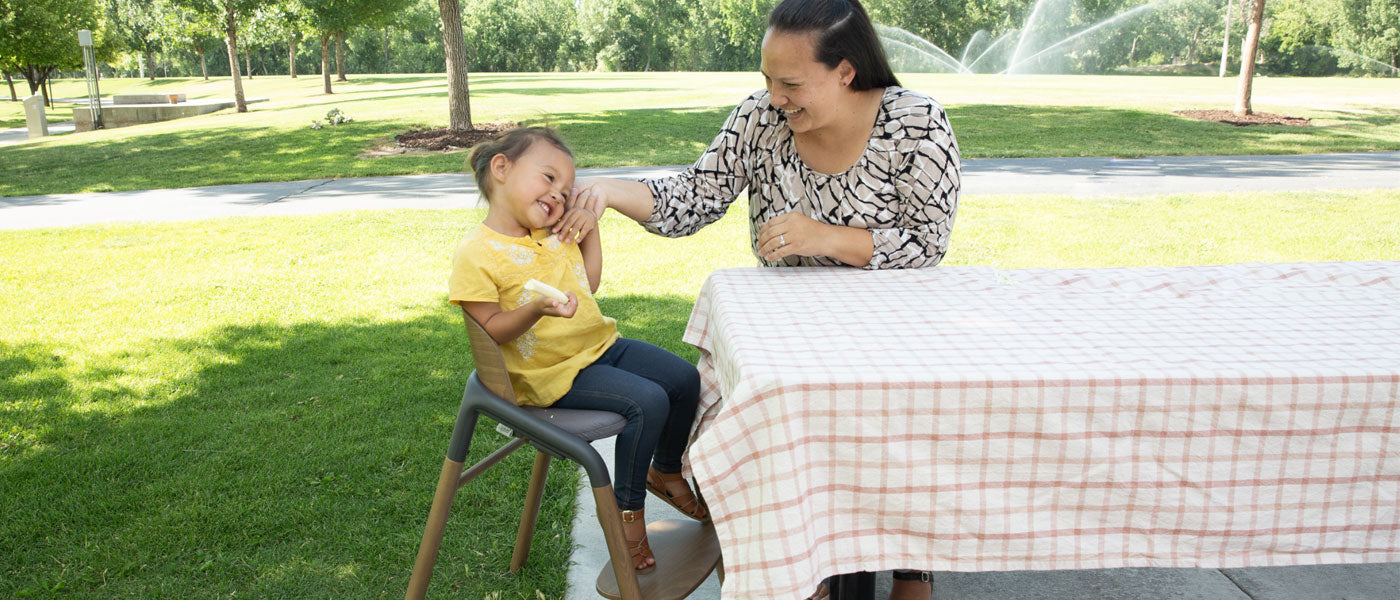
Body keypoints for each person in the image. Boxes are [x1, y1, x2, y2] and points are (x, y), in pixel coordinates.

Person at [561, 0, 957, 597]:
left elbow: (928, 241)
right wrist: (615, 190)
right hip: (787, 332)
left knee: (892, 431)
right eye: (768, 79)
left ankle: (910, 562)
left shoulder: (917, 122)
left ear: (846, 71)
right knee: (769, 438)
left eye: (791, 83)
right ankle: (796, 567)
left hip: (890, 332)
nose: (774, 96)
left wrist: (827, 237)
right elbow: (694, 197)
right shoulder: (760, 119)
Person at [448, 127, 709, 574]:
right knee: (648, 402)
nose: (558, 195)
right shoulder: (476, 253)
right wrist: (535, 308)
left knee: (685, 380)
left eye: (565, 190)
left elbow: (586, 284)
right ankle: (627, 517)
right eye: (548, 178)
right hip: (549, 375)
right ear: (502, 168)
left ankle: (665, 471)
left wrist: (589, 230)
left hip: (599, 346)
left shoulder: (551, 232)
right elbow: (492, 329)